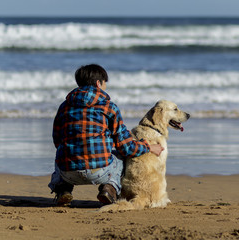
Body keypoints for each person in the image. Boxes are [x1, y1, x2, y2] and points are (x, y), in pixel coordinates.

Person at [48, 64, 164, 206]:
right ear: (98, 83)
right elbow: (126, 147)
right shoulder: (109, 107)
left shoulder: (64, 106)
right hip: (99, 171)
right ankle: (109, 188)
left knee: (61, 153)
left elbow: (57, 140)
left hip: (67, 172)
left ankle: (63, 189)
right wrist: (149, 147)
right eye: (104, 83)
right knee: (120, 157)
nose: (105, 87)